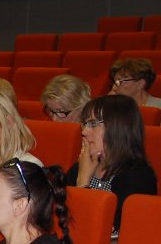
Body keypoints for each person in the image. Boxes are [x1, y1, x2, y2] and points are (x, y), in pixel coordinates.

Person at [67, 94, 157, 233]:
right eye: (84, 124)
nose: (84, 132)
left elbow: (103, 227)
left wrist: (83, 182)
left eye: (93, 124)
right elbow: (60, 214)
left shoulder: (139, 177)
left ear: (117, 127)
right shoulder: (83, 166)